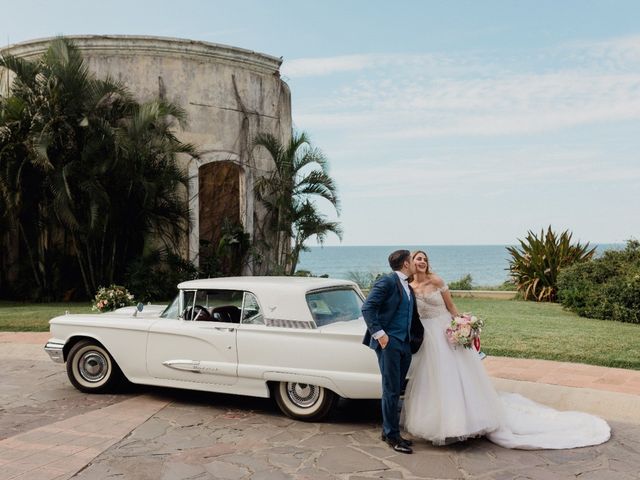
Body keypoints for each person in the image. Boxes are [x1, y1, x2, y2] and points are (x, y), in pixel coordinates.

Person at [402, 249, 611, 449]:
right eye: (417, 259)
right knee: (434, 378)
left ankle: (468, 420)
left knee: (457, 375)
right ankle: (441, 422)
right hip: (427, 336)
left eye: (424, 259)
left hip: (446, 332)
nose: (421, 262)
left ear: (427, 263)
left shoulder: (436, 281)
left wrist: (463, 326)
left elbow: (451, 307)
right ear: (411, 263)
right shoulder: (409, 286)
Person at [362, 249, 424, 454]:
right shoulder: (387, 281)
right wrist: (380, 334)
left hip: (404, 344)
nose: (416, 264)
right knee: (390, 390)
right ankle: (392, 436)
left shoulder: (408, 286)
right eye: (412, 261)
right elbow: (368, 308)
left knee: (396, 388)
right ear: (406, 264)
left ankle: (388, 430)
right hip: (389, 344)